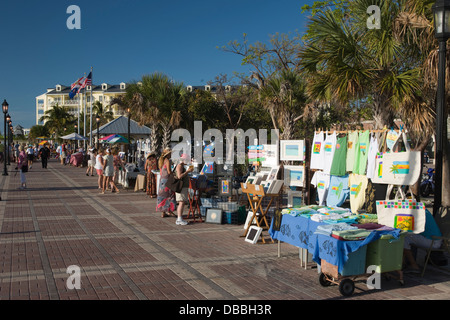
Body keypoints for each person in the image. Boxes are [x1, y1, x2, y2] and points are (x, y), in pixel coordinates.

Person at [403, 209, 443, 274]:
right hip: (435, 239)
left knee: (404, 238)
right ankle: (404, 262)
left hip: (433, 241)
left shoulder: (417, 213)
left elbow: (409, 229)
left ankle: (413, 265)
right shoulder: (423, 210)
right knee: (406, 237)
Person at [174, 153, 194, 226]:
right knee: (181, 203)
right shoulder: (179, 166)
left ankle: (180, 218)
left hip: (183, 187)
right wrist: (187, 171)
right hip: (181, 187)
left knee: (182, 202)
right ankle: (179, 219)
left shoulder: (182, 166)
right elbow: (179, 176)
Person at [156, 148, 176, 218]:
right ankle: (170, 211)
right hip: (167, 180)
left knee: (162, 196)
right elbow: (169, 171)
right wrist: (174, 174)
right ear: (168, 154)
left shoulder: (161, 161)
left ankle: (163, 212)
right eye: (170, 153)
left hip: (162, 180)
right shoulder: (167, 161)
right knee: (170, 195)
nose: (171, 155)